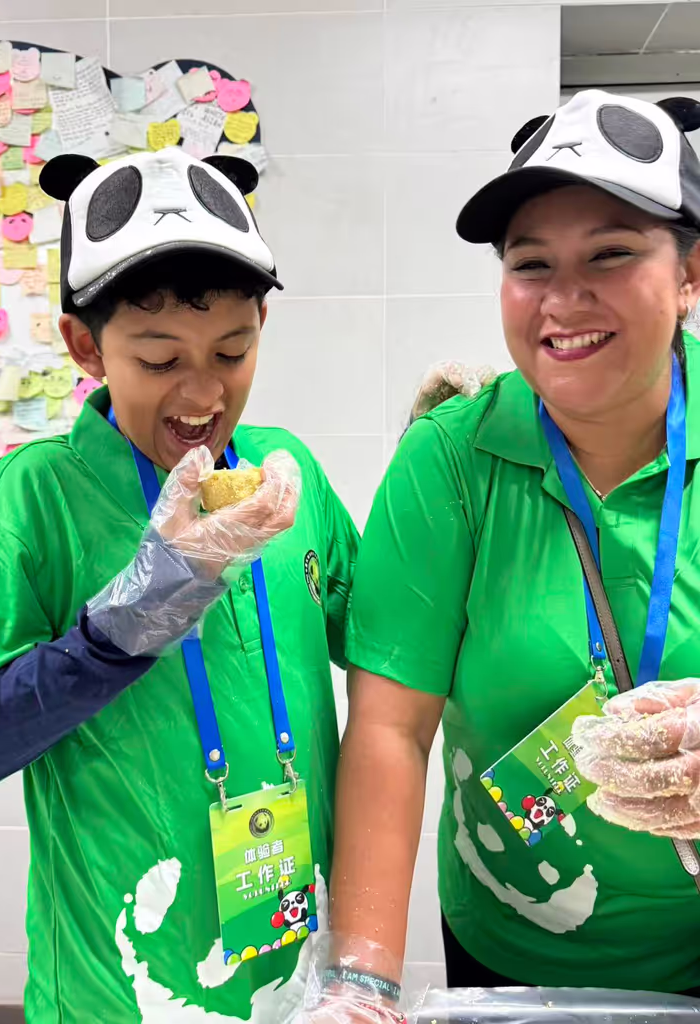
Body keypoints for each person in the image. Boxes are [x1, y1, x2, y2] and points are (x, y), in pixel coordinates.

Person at [0, 147, 362, 1022]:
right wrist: (119, 630)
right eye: (160, 360)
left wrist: (453, 466)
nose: (204, 393)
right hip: (117, 992)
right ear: (86, 346)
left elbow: (391, 641)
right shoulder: (36, 497)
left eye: (232, 351)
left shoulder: (289, 477)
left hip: (296, 979)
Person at [307, 89, 700, 1023]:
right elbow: (391, 728)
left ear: (690, 275)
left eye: (611, 253)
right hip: (508, 938)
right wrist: (363, 977)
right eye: (531, 263)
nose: (564, 299)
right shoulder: (451, 460)